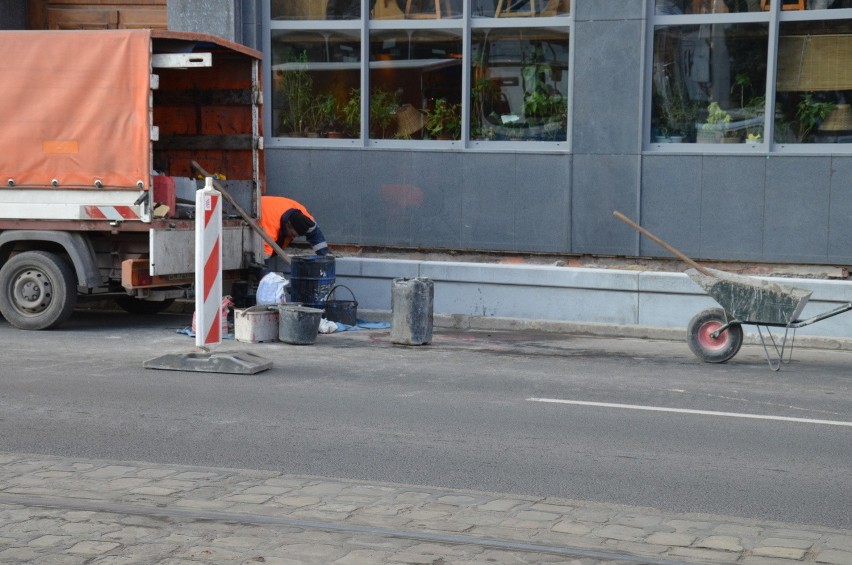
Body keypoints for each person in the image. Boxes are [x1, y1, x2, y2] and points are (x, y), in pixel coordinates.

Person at [258, 196, 329, 263]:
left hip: (272, 209)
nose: (292, 238)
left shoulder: (304, 217)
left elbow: (314, 232)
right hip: (253, 208)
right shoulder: (271, 226)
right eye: (293, 234)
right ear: (288, 225)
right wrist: (267, 275)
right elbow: (262, 257)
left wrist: (324, 256)